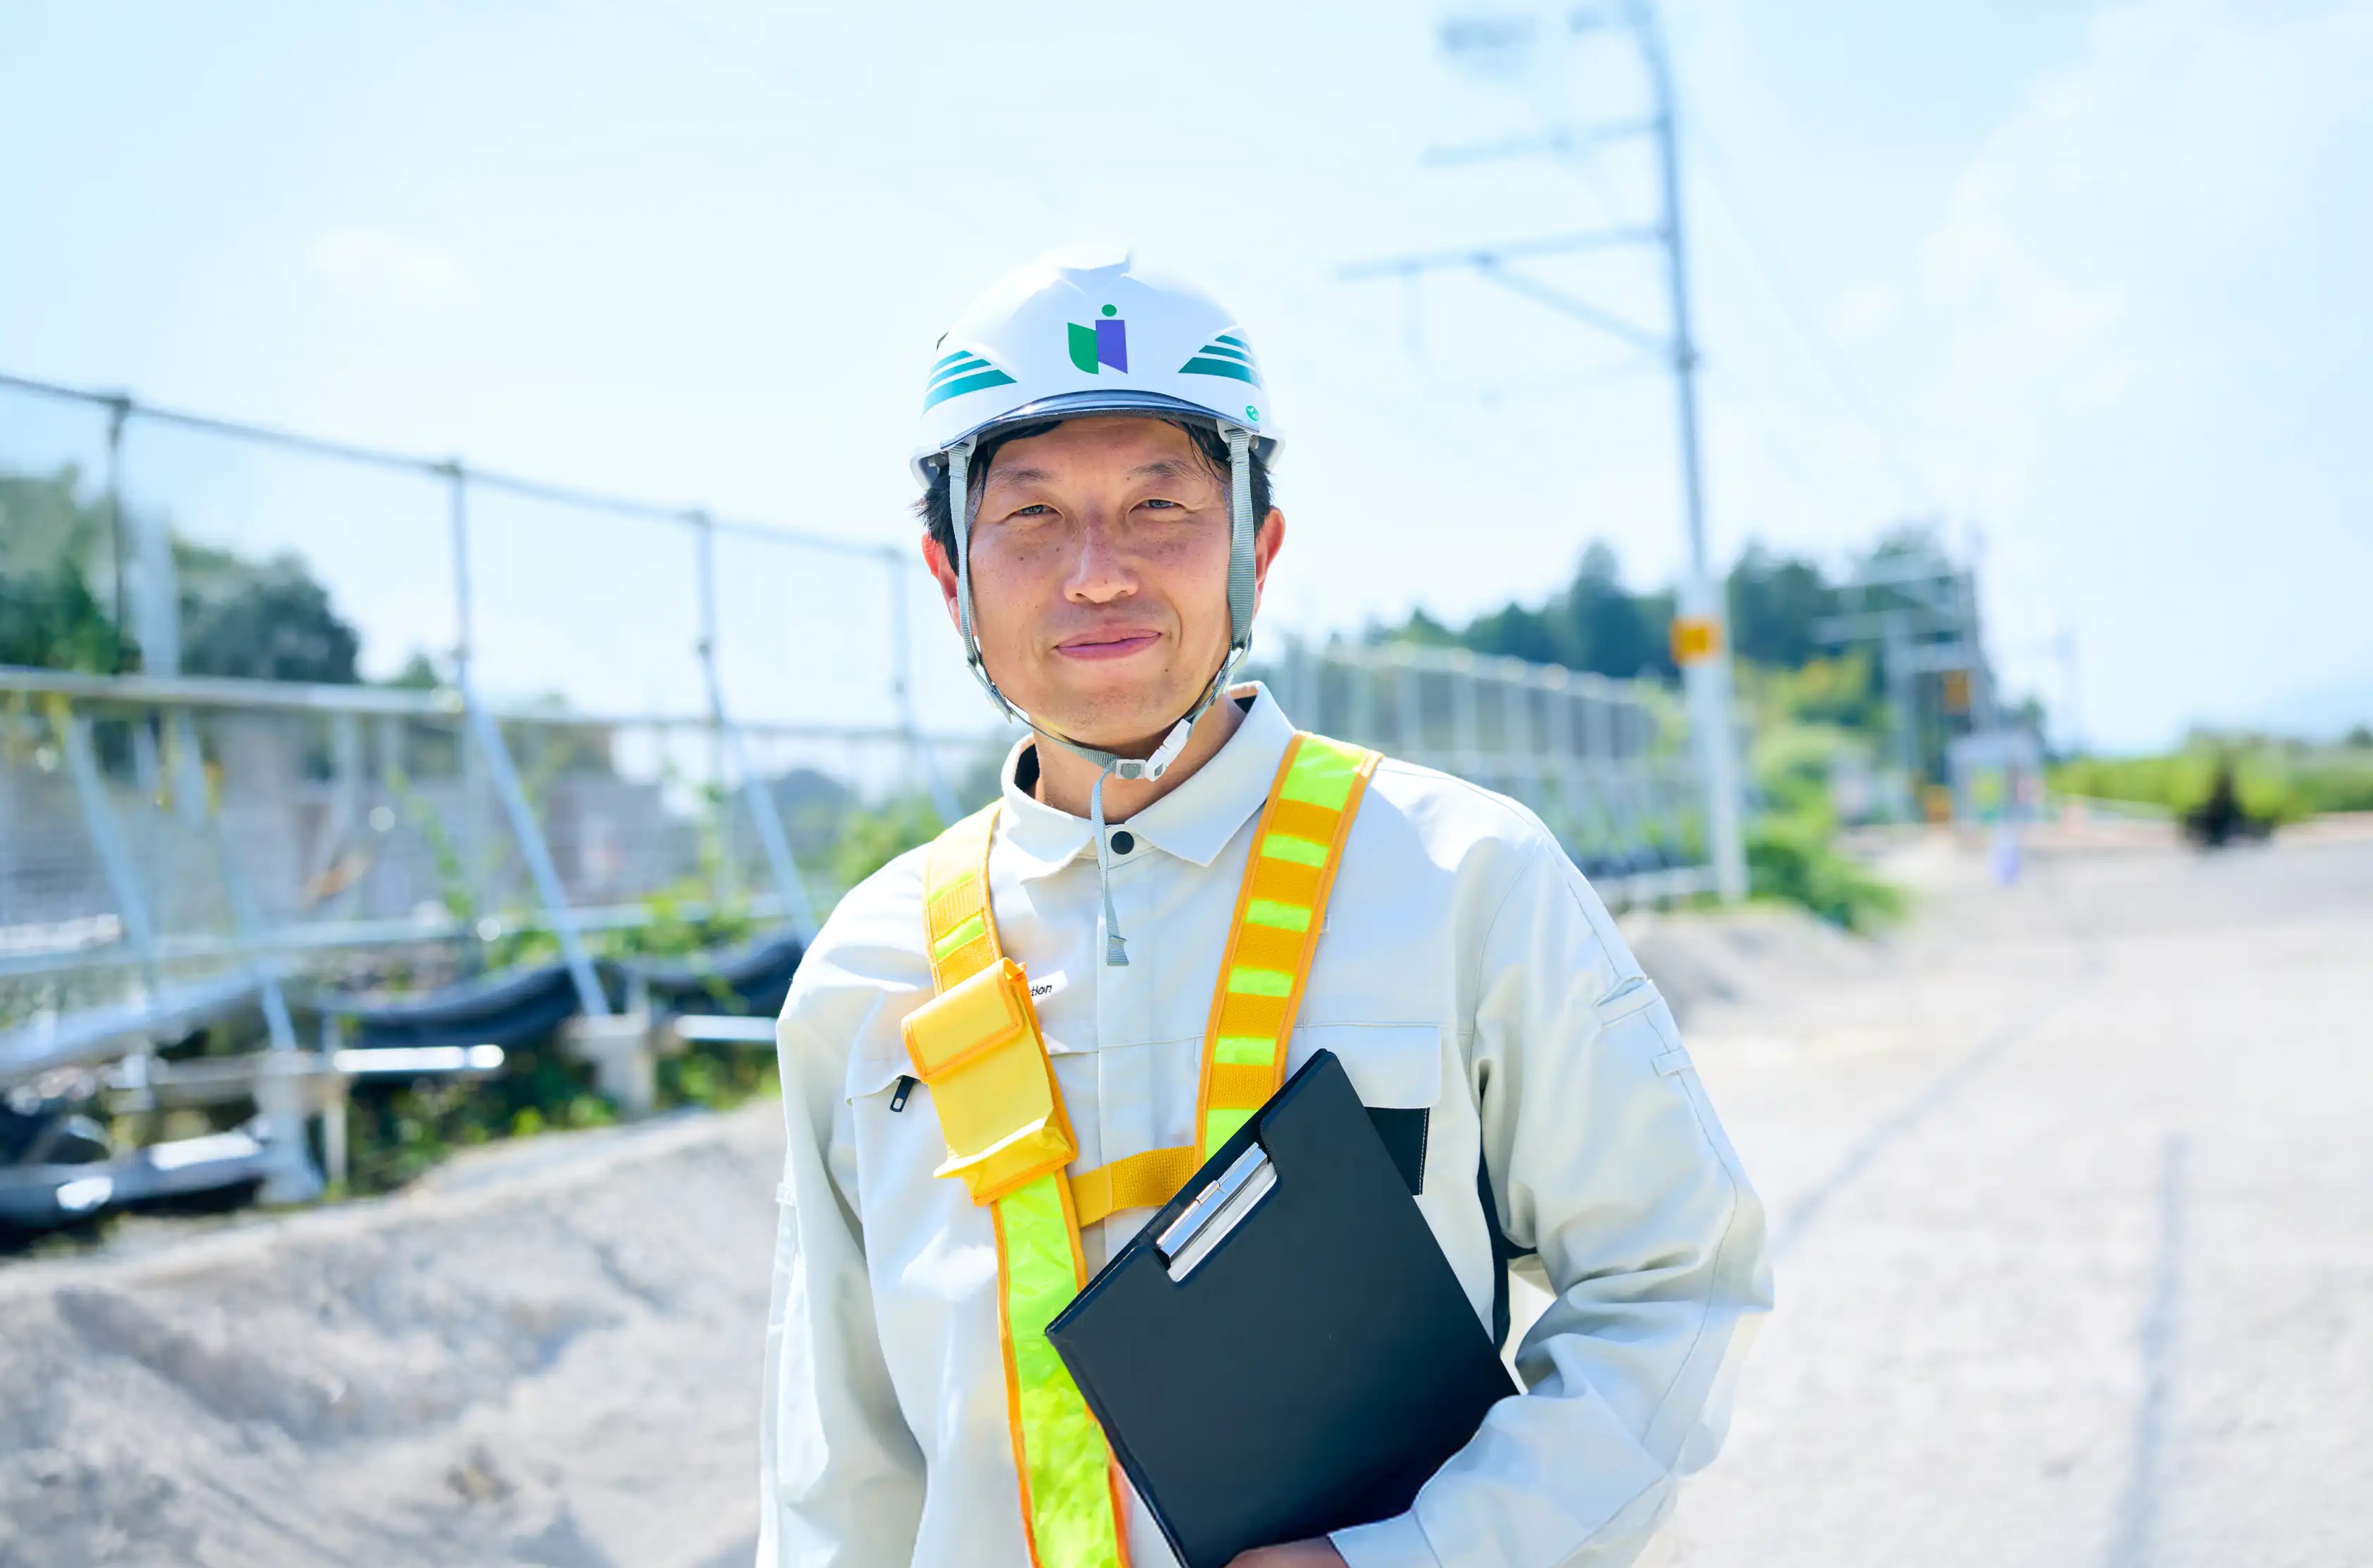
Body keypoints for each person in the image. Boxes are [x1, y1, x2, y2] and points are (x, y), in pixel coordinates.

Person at [759, 249, 1771, 1568]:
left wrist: (1414, 1558)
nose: (1098, 574)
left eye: (1160, 506)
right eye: (1032, 516)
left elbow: (1674, 1285)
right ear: (950, 573)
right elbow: (836, 1476)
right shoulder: (867, 974)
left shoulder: (1463, 879)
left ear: (1258, 550)